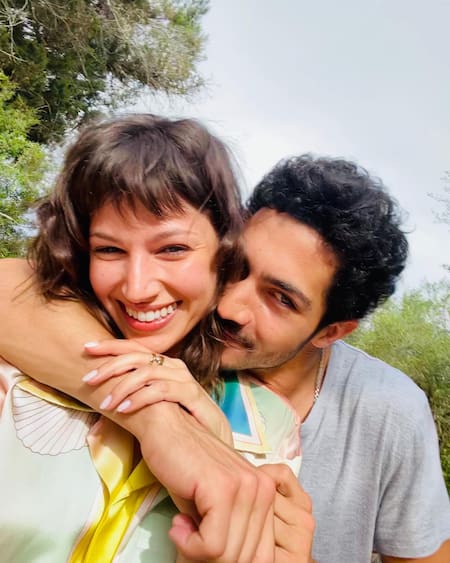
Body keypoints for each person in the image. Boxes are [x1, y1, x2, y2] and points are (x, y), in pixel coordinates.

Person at [2, 154, 449, 561]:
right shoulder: (163, 323)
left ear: (331, 332)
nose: (230, 306)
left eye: (280, 299)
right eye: (236, 266)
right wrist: (161, 420)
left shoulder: (388, 411)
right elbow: (15, 287)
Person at [0, 114, 314, 562]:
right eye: (109, 249)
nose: (137, 288)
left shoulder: (267, 425)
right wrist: (160, 418)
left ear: (224, 252)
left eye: (173, 249)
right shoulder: (14, 368)